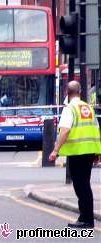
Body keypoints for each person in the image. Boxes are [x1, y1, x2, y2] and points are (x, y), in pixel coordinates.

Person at [49, 81, 101, 229]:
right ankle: (86, 218)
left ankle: (86, 220)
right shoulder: (88, 108)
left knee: (80, 186)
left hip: (77, 152)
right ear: (80, 92)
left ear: (67, 92)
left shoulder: (70, 109)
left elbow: (65, 131)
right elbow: (96, 129)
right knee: (85, 185)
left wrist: (55, 150)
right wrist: (97, 152)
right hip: (89, 151)